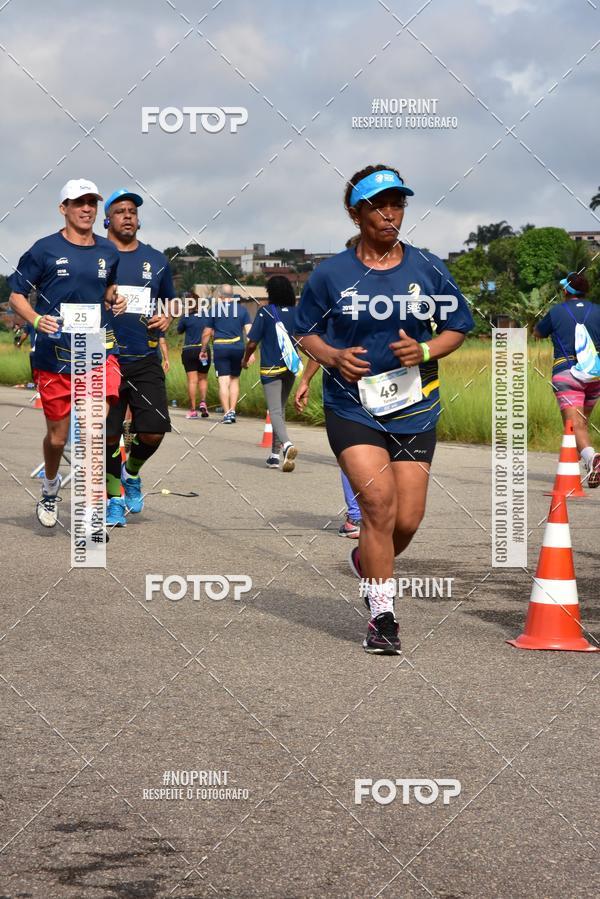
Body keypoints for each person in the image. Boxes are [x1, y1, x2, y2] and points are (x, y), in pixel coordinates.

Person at [295, 163, 474, 654]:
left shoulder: (428, 267)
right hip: (352, 407)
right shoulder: (332, 273)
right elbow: (304, 328)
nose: (390, 214)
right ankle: (382, 615)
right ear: (355, 214)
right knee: (377, 506)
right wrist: (330, 356)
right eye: (378, 205)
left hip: (414, 407)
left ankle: (367, 561)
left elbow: (458, 324)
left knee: (407, 520)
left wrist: (427, 350)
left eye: (397, 203)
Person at [8, 179, 125, 529]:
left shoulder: (108, 251)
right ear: (64, 209)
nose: (87, 208)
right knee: (58, 438)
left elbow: (107, 289)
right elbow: (16, 294)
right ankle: (49, 486)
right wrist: (36, 318)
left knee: (92, 427)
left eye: (92, 202)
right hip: (53, 354)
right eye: (79, 203)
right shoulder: (43, 249)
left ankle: (91, 507)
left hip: (98, 347)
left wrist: (114, 299)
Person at [103, 188, 175, 527]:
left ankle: (132, 474)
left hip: (144, 357)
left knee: (153, 431)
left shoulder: (157, 261)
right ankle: (114, 500)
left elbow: (171, 302)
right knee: (109, 436)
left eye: (132, 210)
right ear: (107, 219)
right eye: (120, 211)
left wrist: (168, 317)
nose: (128, 216)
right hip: (104, 358)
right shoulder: (95, 257)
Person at [534, 271, 600, 486]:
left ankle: (593, 460)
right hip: (595, 374)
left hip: (566, 372)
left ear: (565, 290)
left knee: (574, 425)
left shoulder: (556, 312)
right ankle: (586, 468)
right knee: (581, 423)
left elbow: (538, 333)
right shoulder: (597, 311)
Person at [296, 358, 361, 535]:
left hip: (344, 391)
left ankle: (356, 519)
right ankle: (384, 516)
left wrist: (305, 380)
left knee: (349, 451)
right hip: (391, 387)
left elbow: (317, 345)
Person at [242, 275, 299, 470]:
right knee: (280, 410)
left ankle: (287, 445)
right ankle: (275, 455)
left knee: (274, 411)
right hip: (291, 367)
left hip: (271, 368)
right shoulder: (296, 313)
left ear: (271, 293)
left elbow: (252, 342)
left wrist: (245, 358)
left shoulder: (265, 312)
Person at [201, 284, 254, 423]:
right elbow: (250, 332)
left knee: (223, 381)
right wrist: (251, 352)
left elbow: (207, 333)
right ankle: (232, 411)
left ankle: (226, 414)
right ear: (233, 296)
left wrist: (203, 350)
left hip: (221, 348)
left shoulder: (214, 309)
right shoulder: (242, 310)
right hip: (238, 347)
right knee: (234, 379)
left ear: (220, 296)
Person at [177, 293, 212, 419]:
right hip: (204, 350)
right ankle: (203, 402)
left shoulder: (186, 316)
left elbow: (179, 330)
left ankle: (192, 410)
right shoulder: (207, 315)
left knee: (192, 381)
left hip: (189, 350)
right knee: (203, 378)